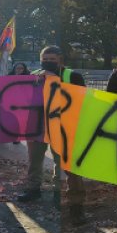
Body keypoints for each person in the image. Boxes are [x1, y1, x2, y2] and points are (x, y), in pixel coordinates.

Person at [17, 46, 86, 221]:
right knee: (34, 161)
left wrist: (55, 81)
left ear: (61, 60)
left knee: (67, 166)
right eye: (44, 59)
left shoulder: (73, 76)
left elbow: (82, 100)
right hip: (38, 126)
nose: (47, 63)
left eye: (52, 60)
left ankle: (72, 203)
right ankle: (33, 190)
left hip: (63, 127)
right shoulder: (34, 75)